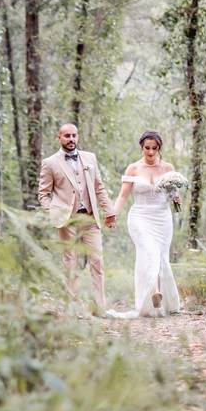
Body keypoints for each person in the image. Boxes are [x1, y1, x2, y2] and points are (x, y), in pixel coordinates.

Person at [37, 123, 117, 310]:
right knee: (70, 262)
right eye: (67, 136)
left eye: (74, 135)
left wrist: (109, 211)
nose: (71, 139)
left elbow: (99, 187)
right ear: (59, 138)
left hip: (90, 218)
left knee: (97, 261)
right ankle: (71, 307)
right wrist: (53, 212)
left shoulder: (90, 158)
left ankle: (100, 306)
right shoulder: (50, 163)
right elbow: (43, 193)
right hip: (68, 220)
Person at [107, 131, 181, 317]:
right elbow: (123, 196)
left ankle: (165, 301)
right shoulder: (133, 169)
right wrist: (113, 214)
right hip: (140, 217)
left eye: (154, 148)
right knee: (149, 251)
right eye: (147, 148)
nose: (150, 152)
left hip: (162, 218)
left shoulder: (167, 168)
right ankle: (155, 292)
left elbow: (172, 193)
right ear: (141, 147)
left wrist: (176, 198)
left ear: (159, 148)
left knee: (161, 257)